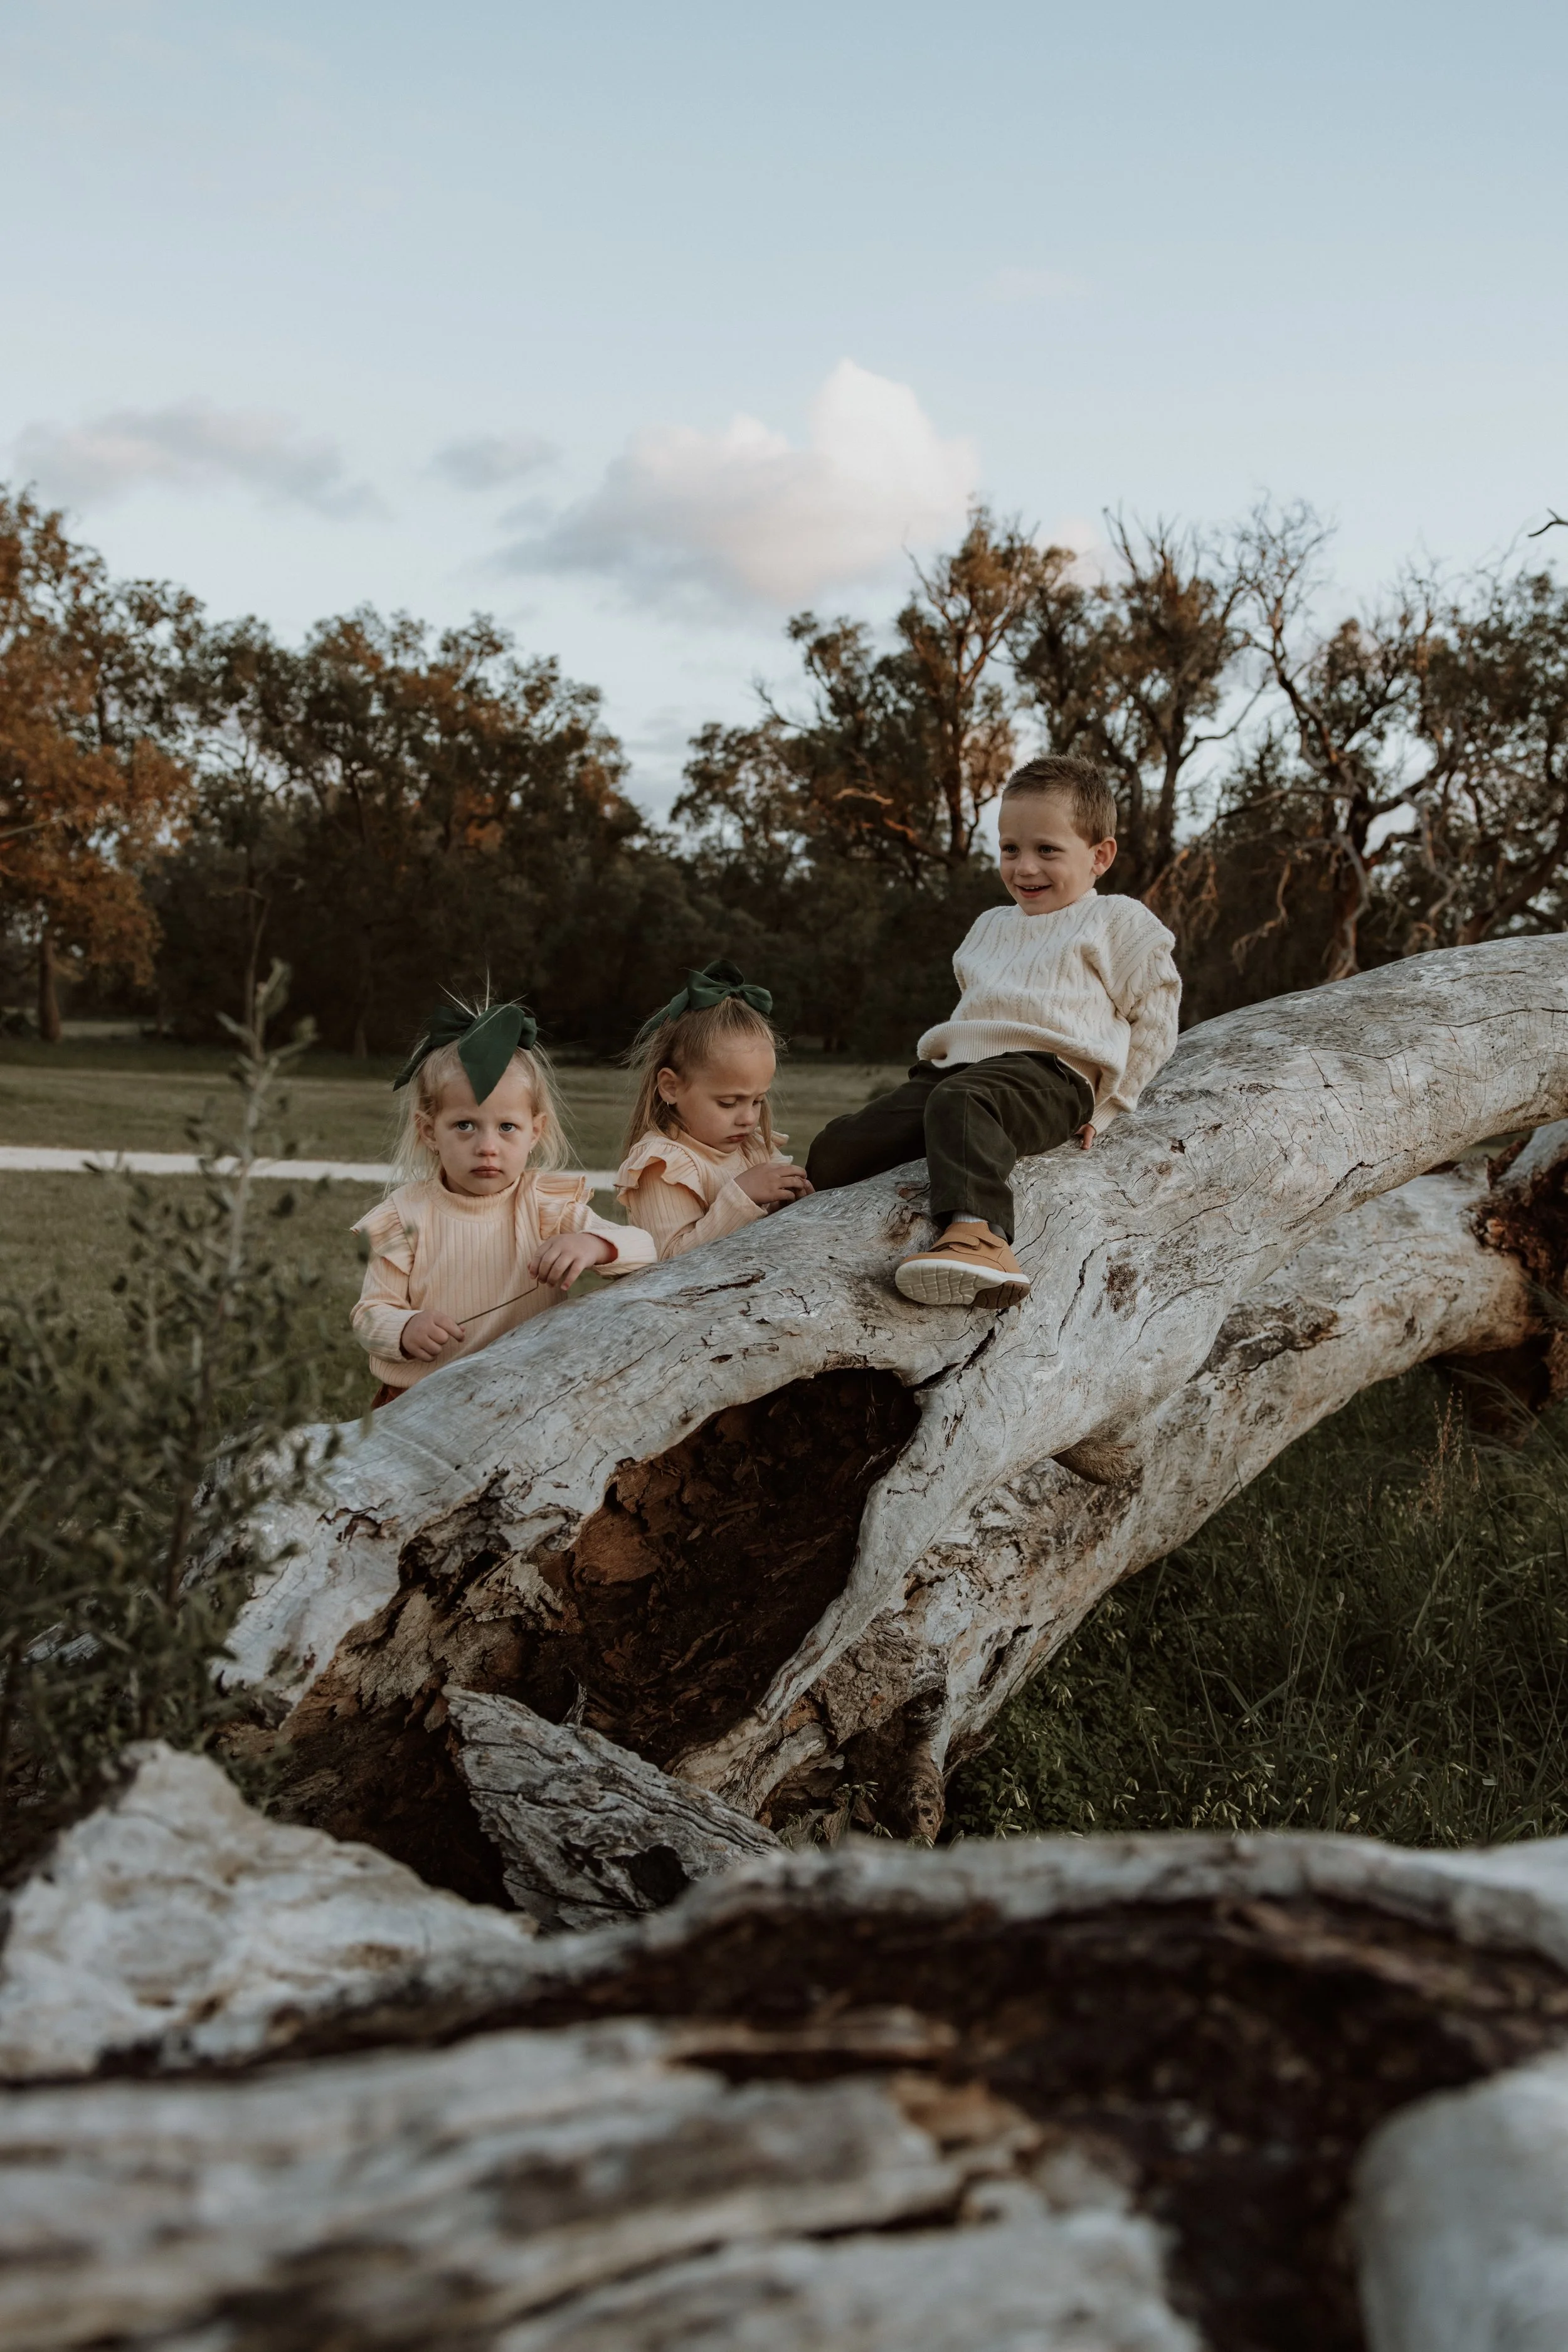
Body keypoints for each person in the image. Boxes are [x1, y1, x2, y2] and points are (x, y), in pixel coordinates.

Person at [806, 755, 1181, 1307]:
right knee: (840, 1146)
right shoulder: (989, 925)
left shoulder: (1117, 921)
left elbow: (1157, 1011)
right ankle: (795, 1208)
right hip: (961, 1073)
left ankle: (982, 1239)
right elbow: (977, 1010)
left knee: (964, 1103)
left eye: (1047, 850)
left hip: (1051, 1077)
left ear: (1100, 855)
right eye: (1011, 850)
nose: (1024, 868)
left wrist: (1112, 1103)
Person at [351, 997, 654, 1402]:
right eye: (465, 1125)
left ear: (535, 1131)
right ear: (428, 1132)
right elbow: (370, 1315)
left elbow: (645, 1249)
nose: (487, 1146)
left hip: (524, 1396)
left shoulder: (544, 1206)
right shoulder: (403, 1217)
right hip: (419, 1400)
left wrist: (593, 1244)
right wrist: (403, 1329)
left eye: (507, 1126)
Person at [614, 958, 812, 1258]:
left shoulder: (753, 1148)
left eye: (758, 1101)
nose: (748, 1119)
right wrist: (741, 1196)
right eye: (728, 1103)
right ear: (671, 1087)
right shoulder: (662, 1164)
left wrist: (784, 1207)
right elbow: (668, 1262)